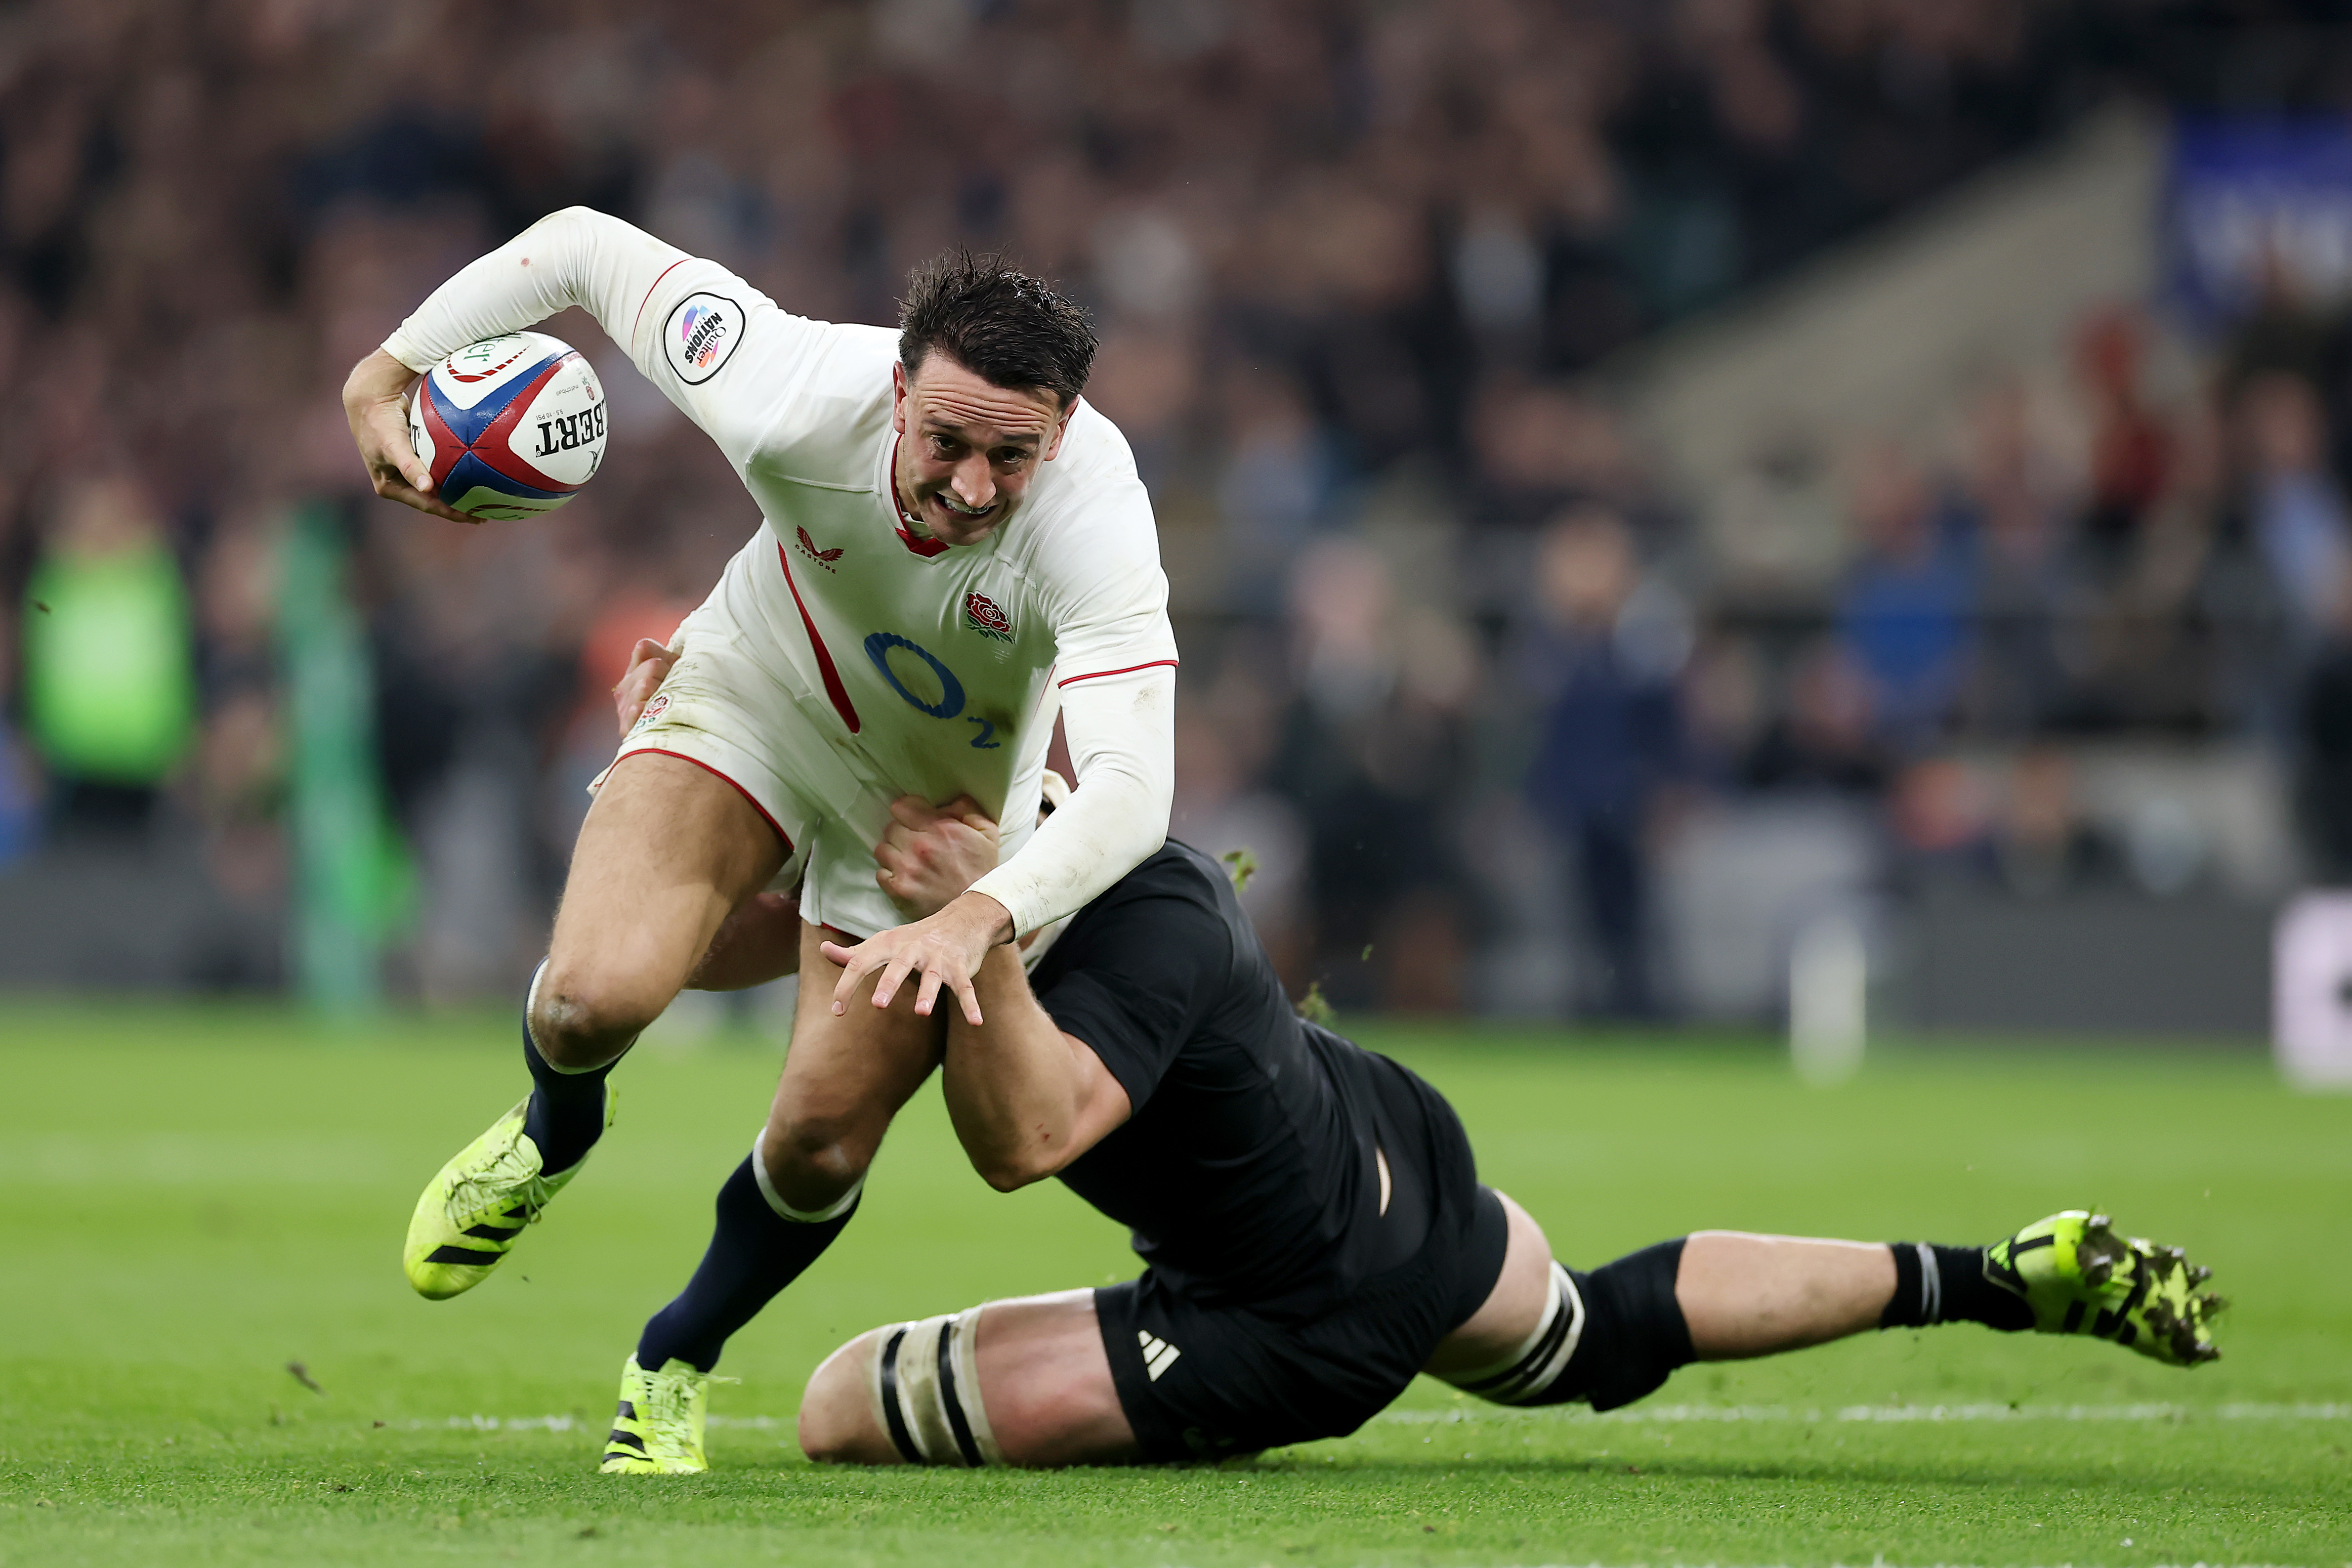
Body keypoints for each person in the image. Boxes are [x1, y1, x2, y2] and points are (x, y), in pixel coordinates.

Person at [591, 652, 2224, 1473]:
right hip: (1395, 1163)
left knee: (832, 1407)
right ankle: (1993, 1279)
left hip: (1284, 1321)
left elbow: (1026, 1139)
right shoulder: (1024, 857)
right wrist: (670, 797)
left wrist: (978, 943)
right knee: (1594, 1328)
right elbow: (757, 930)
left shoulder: (1141, 915)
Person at [340, 209, 1178, 1318]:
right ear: (894, 397)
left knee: (818, 1149)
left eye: (1011, 455)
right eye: (946, 444)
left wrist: (975, 913)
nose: (974, 486)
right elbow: (585, 247)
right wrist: (384, 372)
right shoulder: (781, 384)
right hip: (760, 699)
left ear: (1061, 434)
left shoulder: (1098, 522)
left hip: (930, 811)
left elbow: (1136, 791)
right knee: (593, 1002)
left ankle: (671, 1359)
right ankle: (554, 1133)